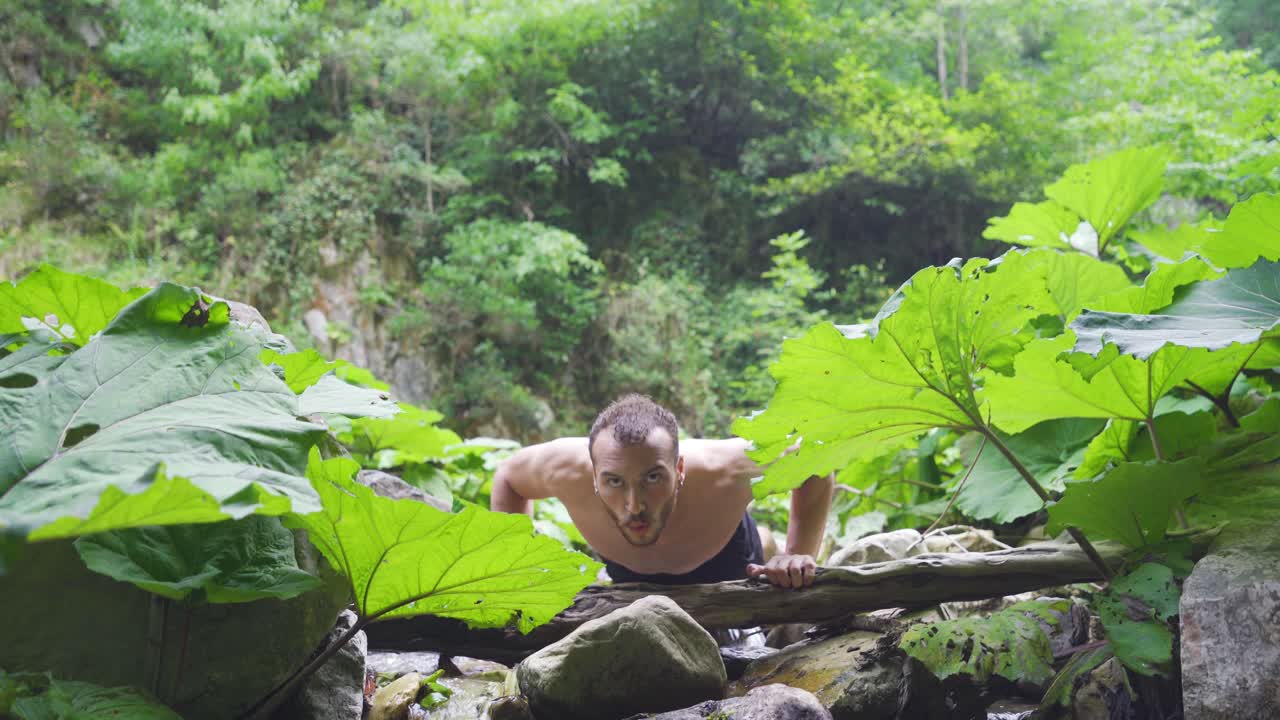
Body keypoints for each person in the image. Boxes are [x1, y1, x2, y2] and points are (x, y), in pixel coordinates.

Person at [490, 393, 834, 588]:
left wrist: (798, 552)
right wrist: (516, 572)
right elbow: (508, 477)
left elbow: (814, 459)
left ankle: (766, 539)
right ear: (593, 476)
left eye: (652, 478)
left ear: (679, 469)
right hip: (629, 575)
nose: (634, 504)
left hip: (729, 559)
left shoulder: (724, 468)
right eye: (614, 482)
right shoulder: (563, 469)